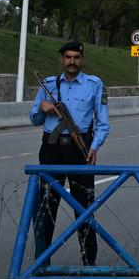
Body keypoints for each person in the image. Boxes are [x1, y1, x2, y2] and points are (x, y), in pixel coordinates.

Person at [30, 40, 109, 266]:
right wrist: (42, 108)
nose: (72, 61)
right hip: (52, 149)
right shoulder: (49, 84)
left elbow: (103, 123)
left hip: (80, 148)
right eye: (68, 57)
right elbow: (34, 119)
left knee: (84, 208)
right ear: (62, 59)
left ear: (81, 60)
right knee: (47, 207)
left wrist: (94, 147)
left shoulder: (94, 85)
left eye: (76, 57)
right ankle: (42, 262)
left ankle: (89, 263)